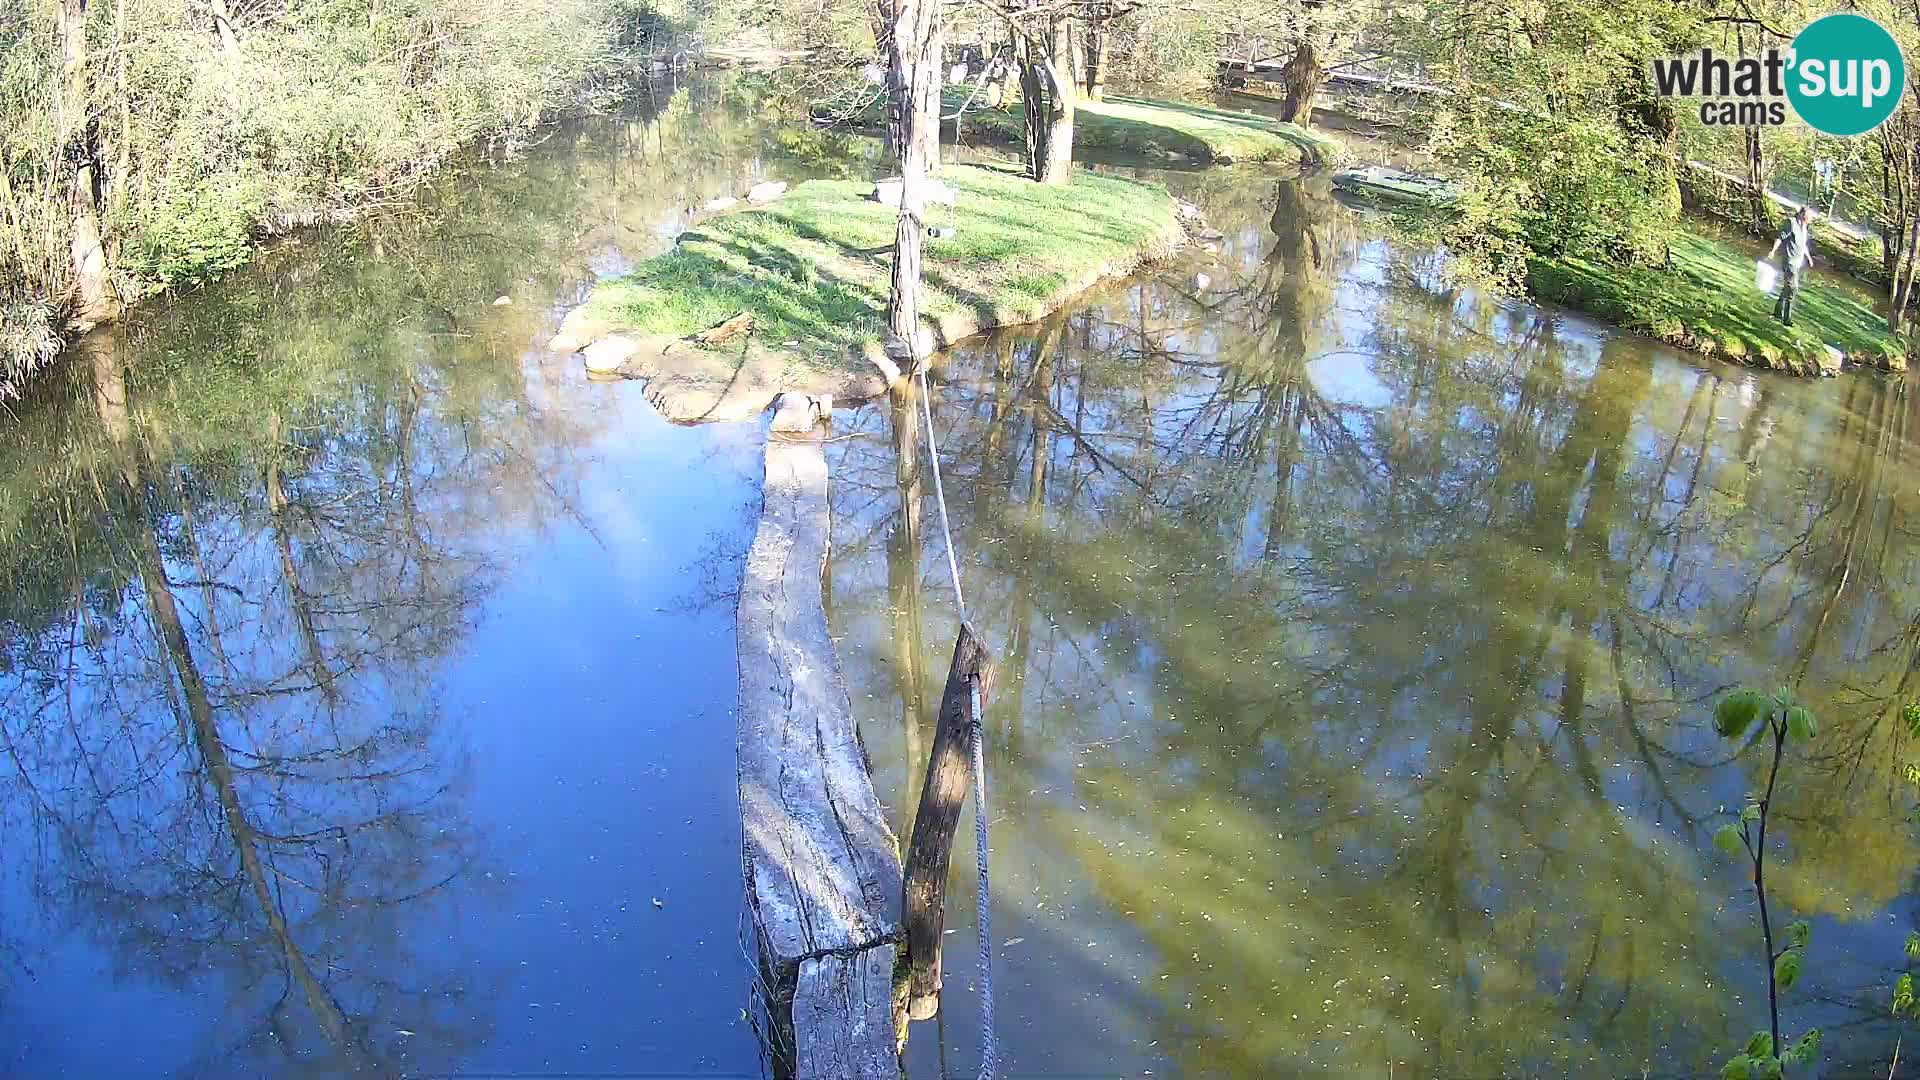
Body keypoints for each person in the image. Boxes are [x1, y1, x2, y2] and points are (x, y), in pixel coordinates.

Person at [1765, 205, 1814, 326]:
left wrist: (1808, 257)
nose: (1811, 219)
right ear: (1803, 215)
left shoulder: (1804, 228)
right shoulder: (1791, 224)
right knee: (1793, 288)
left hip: (1797, 263)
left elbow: (1803, 244)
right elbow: (1780, 238)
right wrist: (1773, 251)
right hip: (1789, 261)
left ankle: (1777, 313)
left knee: (1787, 288)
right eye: (1810, 217)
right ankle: (1786, 319)